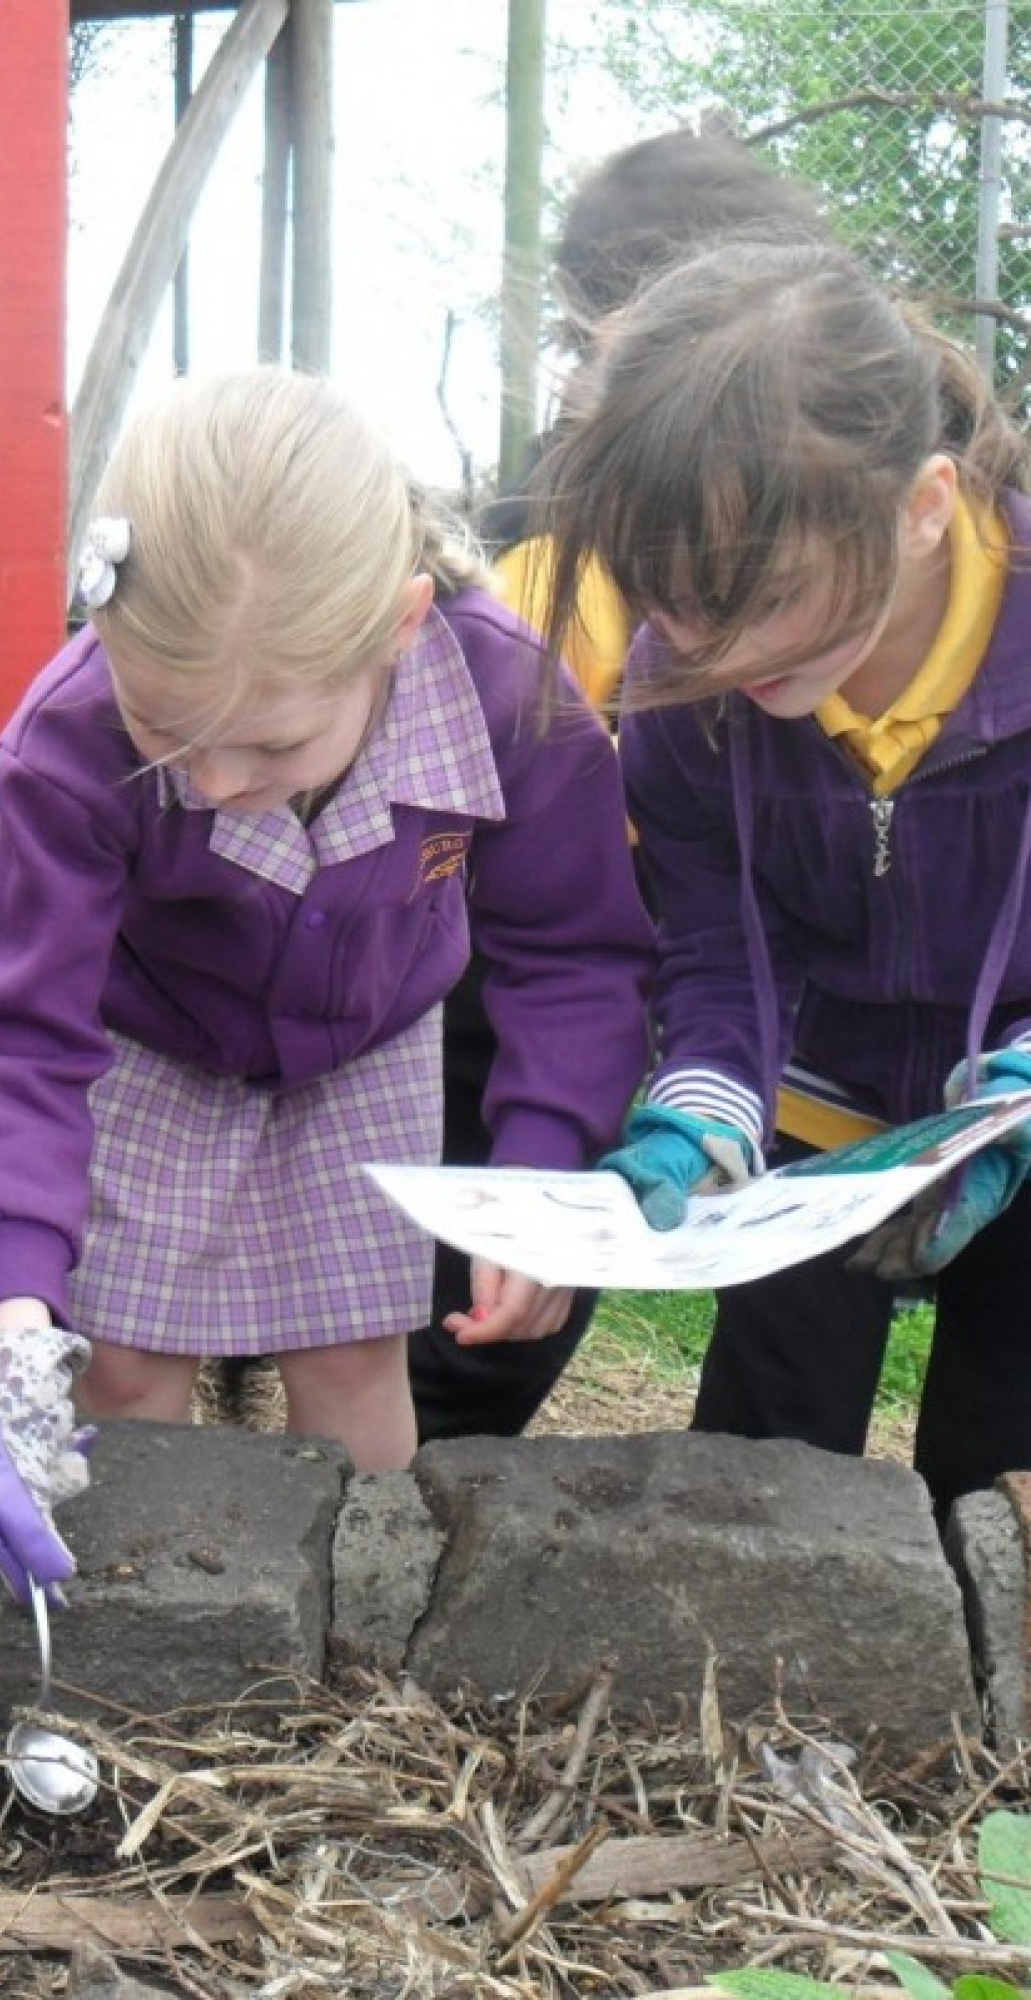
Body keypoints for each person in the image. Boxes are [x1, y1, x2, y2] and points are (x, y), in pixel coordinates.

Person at [0, 368, 656, 1601]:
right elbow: (8, 1030)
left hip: (368, 1032)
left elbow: (572, 944)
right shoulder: (68, 742)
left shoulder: (503, 691)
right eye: (168, 732)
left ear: (401, 624)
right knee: (124, 1369)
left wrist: (536, 1168)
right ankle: (151, 1611)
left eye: (268, 744)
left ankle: (357, 1627)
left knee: (355, 1361)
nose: (207, 781)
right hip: (152, 1037)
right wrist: (13, 1316)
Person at [538, 240, 1031, 1510]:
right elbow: (712, 939)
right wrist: (699, 1109)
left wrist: (1015, 1100)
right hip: (810, 1113)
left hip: (1021, 1101)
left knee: (1003, 1465)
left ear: (920, 505)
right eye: (670, 602)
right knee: (761, 1466)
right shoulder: (685, 688)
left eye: (758, 597)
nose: (707, 646)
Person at [411, 128, 834, 1447]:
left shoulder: (794, 508)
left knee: (543, 1264)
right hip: (509, 956)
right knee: (474, 1298)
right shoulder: (555, 560)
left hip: (673, 963)